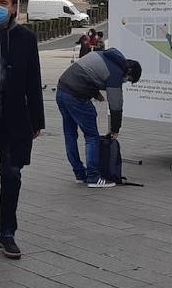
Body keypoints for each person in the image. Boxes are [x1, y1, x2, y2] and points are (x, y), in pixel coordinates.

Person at [0, 0, 44, 259]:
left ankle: (7, 233)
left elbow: (34, 81)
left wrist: (37, 119)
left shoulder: (26, 38)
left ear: (14, 7)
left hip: (15, 120)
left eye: (4, 3)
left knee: (12, 174)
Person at [56, 47, 141, 188]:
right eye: (129, 80)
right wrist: (115, 129)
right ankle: (93, 177)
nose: (125, 81)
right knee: (92, 137)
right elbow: (116, 106)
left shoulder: (106, 56)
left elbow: (89, 73)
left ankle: (79, 174)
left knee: (70, 135)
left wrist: (95, 93)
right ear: (129, 72)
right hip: (76, 96)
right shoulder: (116, 73)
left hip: (61, 90)